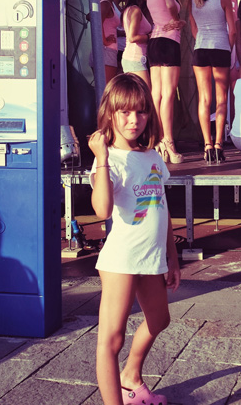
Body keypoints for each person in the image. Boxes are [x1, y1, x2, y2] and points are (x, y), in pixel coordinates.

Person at [88, 74, 179, 405]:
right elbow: (102, 210)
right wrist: (100, 158)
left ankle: (131, 375)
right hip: (122, 261)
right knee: (110, 341)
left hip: (151, 258)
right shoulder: (110, 160)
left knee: (160, 319)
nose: (133, 120)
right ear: (110, 113)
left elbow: (162, 208)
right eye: (124, 112)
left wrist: (172, 256)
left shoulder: (152, 157)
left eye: (141, 112)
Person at [189, 0, 236, 164]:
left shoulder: (192, 0)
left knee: (204, 99)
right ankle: (218, 144)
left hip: (200, 50)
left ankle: (207, 146)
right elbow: (232, 30)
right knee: (221, 99)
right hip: (220, 49)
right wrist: (229, 47)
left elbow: (194, 31)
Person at [147, 0, 186, 164]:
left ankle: (158, 140)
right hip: (169, 41)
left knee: (157, 94)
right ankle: (169, 142)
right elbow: (171, 5)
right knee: (168, 94)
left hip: (154, 42)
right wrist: (177, 20)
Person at [122, 0, 152, 88]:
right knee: (145, 94)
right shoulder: (135, 10)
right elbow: (132, 37)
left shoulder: (130, 9)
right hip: (135, 59)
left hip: (134, 58)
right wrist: (149, 36)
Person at [98, 0, 124, 83]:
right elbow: (97, 21)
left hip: (107, 51)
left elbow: (91, 17)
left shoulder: (106, 3)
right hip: (106, 51)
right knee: (106, 90)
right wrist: (105, 41)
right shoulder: (105, 4)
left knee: (105, 89)